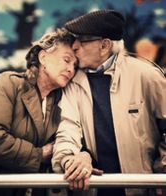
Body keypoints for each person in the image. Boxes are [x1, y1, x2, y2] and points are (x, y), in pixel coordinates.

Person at [52, 9, 166, 196]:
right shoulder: (72, 82)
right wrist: (70, 160)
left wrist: (161, 173)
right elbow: (68, 128)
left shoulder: (146, 76)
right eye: (74, 39)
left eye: (82, 40)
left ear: (104, 45)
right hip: (91, 190)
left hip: (142, 190)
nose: (74, 46)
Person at [0, 29, 77, 196]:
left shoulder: (63, 101)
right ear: (43, 58)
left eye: (75, 65)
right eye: (66, 60)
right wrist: (39, 155)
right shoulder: (9, 83)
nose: (71, 69)